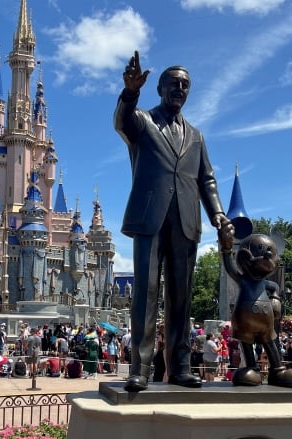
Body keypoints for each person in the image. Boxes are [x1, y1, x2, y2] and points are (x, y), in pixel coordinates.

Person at [114, 50, 232, 392]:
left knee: (182, 297)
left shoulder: (196, 136)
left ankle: (180, 366)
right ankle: (141, 367)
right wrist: (130, 91)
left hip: (186, 222)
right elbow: (121, 122)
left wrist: (218, 215)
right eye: (174, 84)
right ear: (161, 89)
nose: (180, 89)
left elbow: (206, 180)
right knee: (146, 294)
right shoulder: (143, 122)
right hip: (149, 220)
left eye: (186, 85)